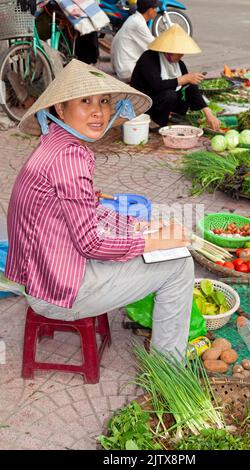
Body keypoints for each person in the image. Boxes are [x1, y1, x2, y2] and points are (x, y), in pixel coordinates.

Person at [5, 59, 194, 361]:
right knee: (178, 266)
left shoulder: (57, 143)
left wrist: (136, 226)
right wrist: (156, 241)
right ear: (60, 109)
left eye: (104, 101)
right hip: (57, 290)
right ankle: (169, 369)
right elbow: (90, 243)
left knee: (150, 238)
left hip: (44, 273)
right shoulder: (70, 158)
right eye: (85, 101)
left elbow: (87, 208)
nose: (98, 111)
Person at [131, 24, 221, 131]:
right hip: (144, 102)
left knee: (188, 89)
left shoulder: (179, 64)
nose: (182, 55)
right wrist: (183, 79)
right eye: (179, 52)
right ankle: (156, 122)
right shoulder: (149, 58)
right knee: (169, 95)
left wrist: (208, 113)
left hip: (161, 100)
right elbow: (157, 85)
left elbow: (189, 87)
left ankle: (173, 115)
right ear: (170, 50)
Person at [111, 0, 160, 82]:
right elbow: (155, 46)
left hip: (122, 65)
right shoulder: (138, 24)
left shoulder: (134, 18)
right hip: (127, 71)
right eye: (156, 8)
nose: (157, 10)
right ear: (150, 11)